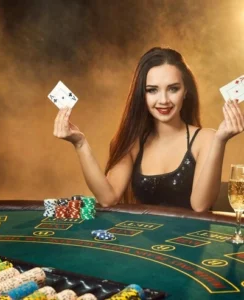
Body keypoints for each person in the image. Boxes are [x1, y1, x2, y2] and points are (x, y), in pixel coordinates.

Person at [53, 47, 244, 212]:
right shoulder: (134, 142)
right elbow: (108, 198)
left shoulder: (206, 138)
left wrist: (221, 141)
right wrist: (80, 144)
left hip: (190, 249)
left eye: (173, 89)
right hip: (141, 248)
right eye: (152, 90)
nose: (163, 100)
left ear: (186, 91)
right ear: (141, 95)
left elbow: (200, 205)